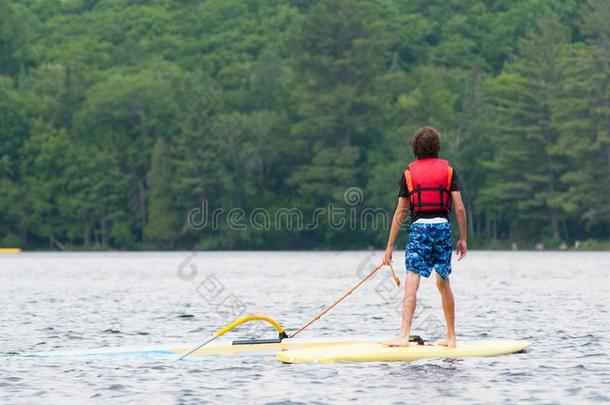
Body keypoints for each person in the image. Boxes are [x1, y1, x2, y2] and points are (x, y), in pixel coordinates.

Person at [383, 126, 467, 348]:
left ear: (415, 148)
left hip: (420, 229)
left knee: (412, 280)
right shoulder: (449, 171)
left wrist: (389, 246)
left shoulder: (409, 174)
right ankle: (451, 338)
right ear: (437, 147)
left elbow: (400, 213)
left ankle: (403, 335)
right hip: (442, 228)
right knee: (443, 281)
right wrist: (463, 238)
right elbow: (459, 208)